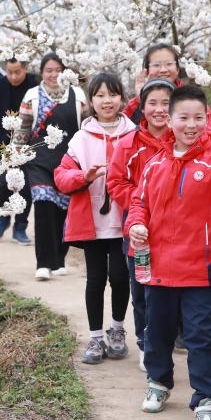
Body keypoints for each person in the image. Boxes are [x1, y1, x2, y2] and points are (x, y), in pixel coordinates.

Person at [125, 85, 211, 420]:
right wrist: (136, 225)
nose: (191, 125)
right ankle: (159, 382)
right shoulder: (155, 163)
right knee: (157, 331)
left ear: (206, 119)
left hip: (200, 268)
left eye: (198, 118)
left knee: (200, 335)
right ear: (170, 120)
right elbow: (139, 202)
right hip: (159, 268)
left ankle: (207, 400)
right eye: (184, 118)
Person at [55, 72, 136, 364]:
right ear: (90, 101)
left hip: (123, 218)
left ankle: (117, 329)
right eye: (100, 95)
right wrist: (82, 177)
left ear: (122, 99)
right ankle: (95, 337)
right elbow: (61, 177)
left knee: (120, 275)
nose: (107, 101)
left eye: (112, 94)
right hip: (92, 220)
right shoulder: (80, 139)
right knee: (96, 279)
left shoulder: (134, 135)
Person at [107, 78, 174, 372]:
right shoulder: (128, 144)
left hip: (176, 236)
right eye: (153, 103)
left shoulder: (184, 142)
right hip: (139, 234)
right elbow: (116, 182)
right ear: (142, 108)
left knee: (170, 294)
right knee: (142, 292)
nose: (160, 110)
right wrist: (143, 203)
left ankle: (165, 345)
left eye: (166, 104)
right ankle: (146, 345)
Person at [16, 53, 87, 280]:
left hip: (68, 162)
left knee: (63, 211)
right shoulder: (32, 96)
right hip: (38, 161)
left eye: (58, 69)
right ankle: (43, 263)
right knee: (44, 205)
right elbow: (23, 129)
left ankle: (59, 259)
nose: (53, 74)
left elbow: (86, 128)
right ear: (42, 73)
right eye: (49, 70)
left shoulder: (77, 95)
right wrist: (15, 156)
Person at [0, 57, 39, 244]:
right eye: (9, 72)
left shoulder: (35, 83)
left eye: (17, 72)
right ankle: (3, 220)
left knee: (27, 188)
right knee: (5, 185)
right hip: (4, 142)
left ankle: (20, 227)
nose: (13, 76)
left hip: (30, 142)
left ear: (25, 69)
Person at [122, 42, 211, 130]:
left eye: (169, 64)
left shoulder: (194, 100)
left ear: (177, 69)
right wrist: (141, 99)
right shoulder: (136, 103)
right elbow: (120, 132)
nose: (163, 70)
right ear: (146, 70)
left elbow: (210, 137)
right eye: (156, 65)